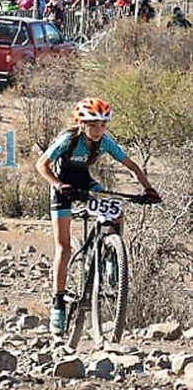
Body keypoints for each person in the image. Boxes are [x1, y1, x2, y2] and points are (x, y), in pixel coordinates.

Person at [35, 98, 160, 338]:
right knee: (64, 248)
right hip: (62, 187)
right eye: (93, 124)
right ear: (81, 123)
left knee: (116, 211)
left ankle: (112, 259)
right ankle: (58, 303)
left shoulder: (105, 142)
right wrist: (58, 184)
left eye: (103, 125)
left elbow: (130, 165)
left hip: (85, 182)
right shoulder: (68, 140)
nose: (98, 130)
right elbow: (42, 164)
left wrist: (148, 189)